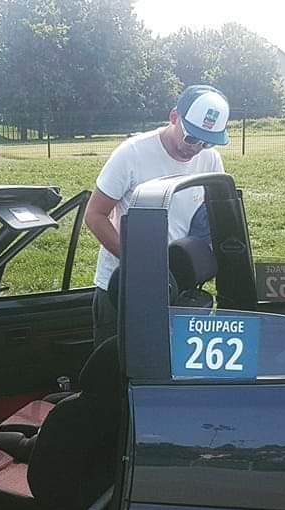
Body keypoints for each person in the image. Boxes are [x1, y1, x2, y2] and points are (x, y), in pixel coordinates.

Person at [84, 84, 229, 341]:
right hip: (123, 285)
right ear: (174, 117)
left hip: (176, 286)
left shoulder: (211, 159)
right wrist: (140, 265)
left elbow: (213, 218)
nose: (196, 148)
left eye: (206, 142)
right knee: (115, 361)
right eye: (191, 137)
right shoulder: (132, 153)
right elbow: (95, 215)